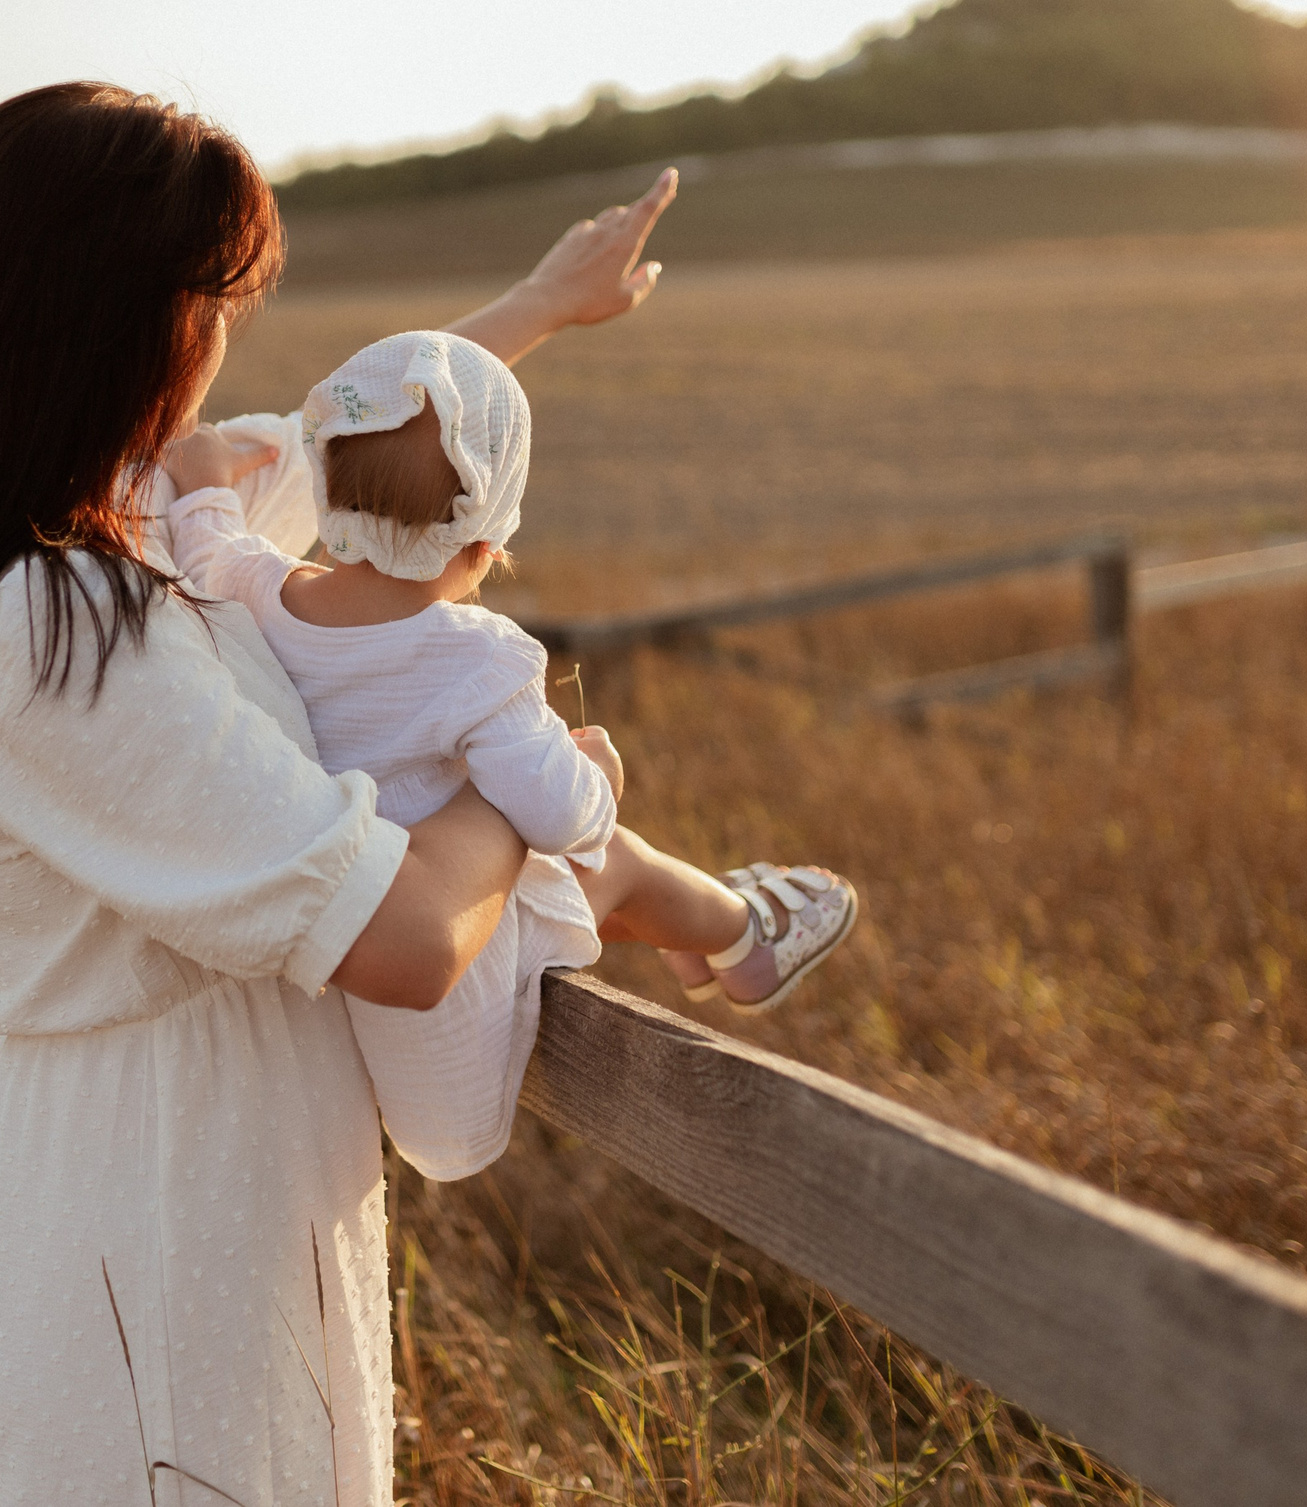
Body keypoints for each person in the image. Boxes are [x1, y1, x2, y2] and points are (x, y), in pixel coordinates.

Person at [0, 82, 693, 1504]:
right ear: (112, 312)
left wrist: (541, 305)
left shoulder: (139, 519)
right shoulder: (55, 627)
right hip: (161, 1195)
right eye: (212, 297)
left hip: (235, 1176)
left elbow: (353, 469)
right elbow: (413, 940)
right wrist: (526, 779)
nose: (224, 334)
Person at [159, 329, 860, 1180]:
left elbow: (208, 548)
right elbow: (558, 816)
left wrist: (204, 479)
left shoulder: (263, 593)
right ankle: (743, 937)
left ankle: (710, 936)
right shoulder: (478, 659)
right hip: (454, 1009)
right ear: (485, 544)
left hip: (341, 977)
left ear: (328, 489)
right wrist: (601, 779)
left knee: (565, 883)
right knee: (618, 856)